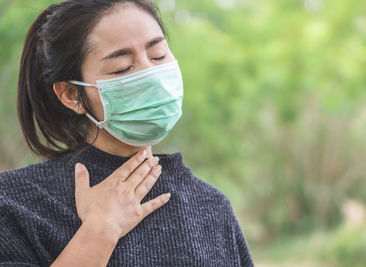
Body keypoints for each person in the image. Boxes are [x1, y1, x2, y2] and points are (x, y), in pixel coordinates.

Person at [0, 0, 254, 266]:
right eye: (122, 68)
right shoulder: (17, 202)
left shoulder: (211, 206)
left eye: (158, 55)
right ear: (72, 94)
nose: (151, 76)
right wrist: (99, 232)